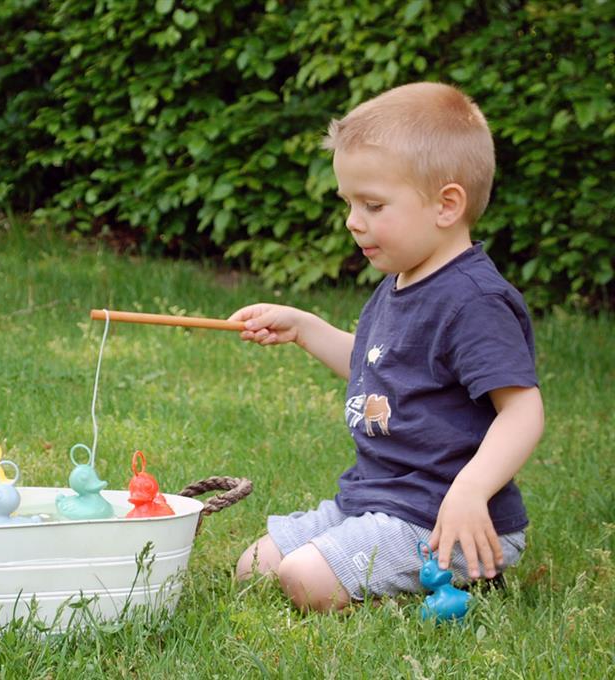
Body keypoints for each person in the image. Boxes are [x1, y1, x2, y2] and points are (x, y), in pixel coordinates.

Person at [231, 82, 545, 612]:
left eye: (373, 204)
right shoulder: (400, 282)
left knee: (304, 580)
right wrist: (305, 328)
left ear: (447, 205)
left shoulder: (474, 301)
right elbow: (379, 365)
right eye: (349, 203)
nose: (354, 221)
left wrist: (469, 493)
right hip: (373, 500)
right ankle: (377, 567)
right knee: (253, 569)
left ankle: (457, 575)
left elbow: (522, 409)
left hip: (443, 515)